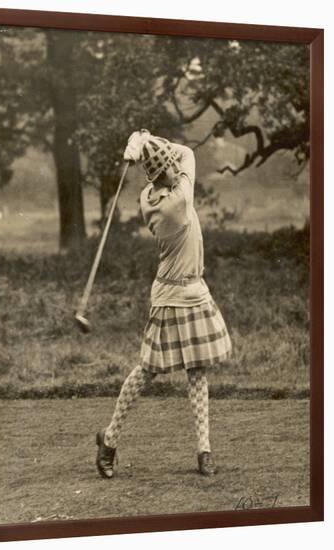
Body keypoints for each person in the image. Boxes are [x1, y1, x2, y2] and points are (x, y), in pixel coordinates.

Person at [95, 129, 232, 478]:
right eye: (169, 166)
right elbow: (187, 151)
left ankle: (204, 450)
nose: (175, 167)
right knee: (147, 370)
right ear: (166, 170)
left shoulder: (147, 195)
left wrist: (143, 143)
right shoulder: (179, 201)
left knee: (197, 371)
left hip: (193, 290)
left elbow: (172, 161)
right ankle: (109, 441)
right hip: (172, 297)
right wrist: (150, 137)